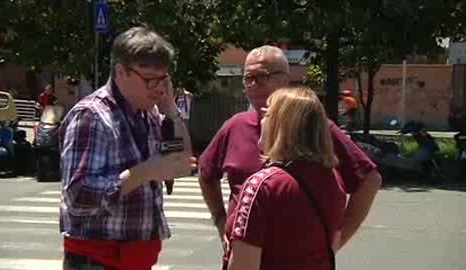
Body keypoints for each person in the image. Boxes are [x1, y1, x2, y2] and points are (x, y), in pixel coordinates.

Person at [198, 45, 381, 253]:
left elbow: (369, 179)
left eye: (262, 76)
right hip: (242, 255)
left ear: (285, 80)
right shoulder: (234, 126)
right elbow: (206, 173)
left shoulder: (314, 126)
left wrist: (338, 239)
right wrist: (221, 220)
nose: (253, 85)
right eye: (248, 78)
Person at [59, 26, 194, 270]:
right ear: (121, 72)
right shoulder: (92, 116)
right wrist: (145, 172)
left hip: (136, 259)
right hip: (98, 260)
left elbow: (182, 161)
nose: (159, 88)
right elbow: (77, 196)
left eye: (163, 79)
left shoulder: (150, 114)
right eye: (150, 80)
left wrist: (171, 110)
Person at [224, 87, 345, 270]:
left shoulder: (262, 186)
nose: (260, 119)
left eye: (266, 114)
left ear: (281, 125)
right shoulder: (333, 180)